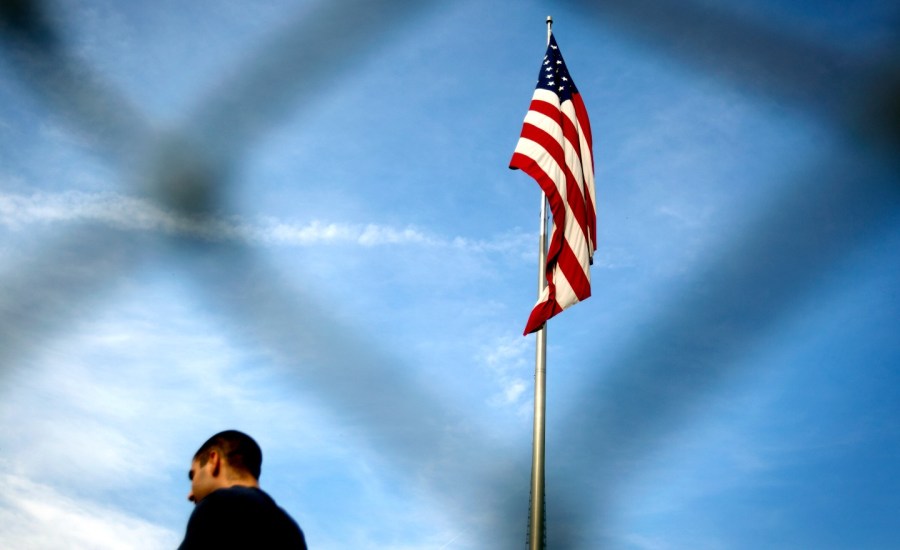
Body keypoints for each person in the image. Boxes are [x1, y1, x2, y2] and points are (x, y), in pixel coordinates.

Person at [178, 430, 308, 549]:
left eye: (193, 475)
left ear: (213, 460)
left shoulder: (218, 505)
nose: (190, 495)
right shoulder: (291, 529)